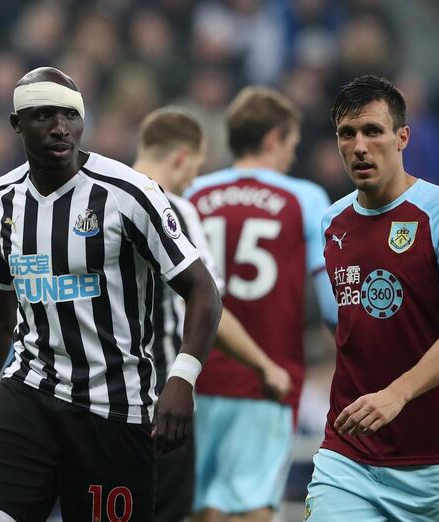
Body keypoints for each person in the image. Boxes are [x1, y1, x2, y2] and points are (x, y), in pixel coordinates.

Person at [0, 67, 222, 522]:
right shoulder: (3, 199)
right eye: (43, 116)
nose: (60, 128)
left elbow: (203, 290)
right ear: (17, 124)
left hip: (114, 406)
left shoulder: (128, 193)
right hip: (29, 393)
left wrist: (181, 378)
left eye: (70, 116)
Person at [304, 75, 439, 521]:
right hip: (347, 458)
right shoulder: (332, 222)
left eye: (373, 131)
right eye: (347, 134)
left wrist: (395, 394)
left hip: (437, 464)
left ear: (402, 137)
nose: (360, 146)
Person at [185, 86, 337, 522]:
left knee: (202, 503)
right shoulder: (304, 198)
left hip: (195, 374)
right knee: (254, 502)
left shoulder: (194, 193)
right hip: (268, 376)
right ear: (273, 139)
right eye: (291, 143)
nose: (292, 155)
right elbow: (330, 300)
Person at [133, 107, 292, 522]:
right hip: (158, 403)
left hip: (95, 403)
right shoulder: (177, 212)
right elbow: (209, 307)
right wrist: (264, 366)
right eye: (196, 167)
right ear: (182, 158)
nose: (193, 179)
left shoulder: (100, 199)